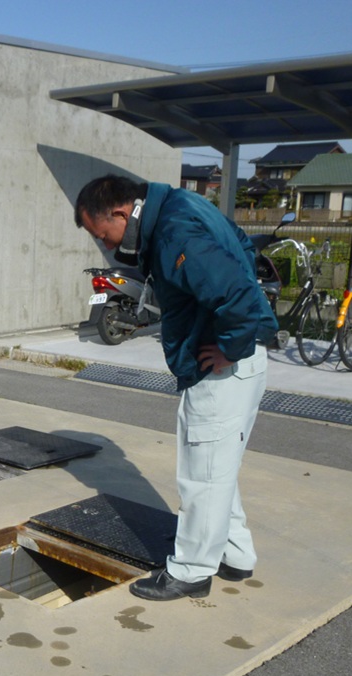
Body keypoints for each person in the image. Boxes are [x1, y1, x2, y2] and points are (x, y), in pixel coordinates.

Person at [74, 175, 277, 601]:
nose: (108, 247)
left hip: (223, 367)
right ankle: (235, 554)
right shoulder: (184, 206)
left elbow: (237, 295)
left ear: (120, 213)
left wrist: (230, 347)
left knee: (202, 473)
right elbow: (242, 249)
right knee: (218, 467)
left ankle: (190, 570)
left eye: (103, 235)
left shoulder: (174, 230)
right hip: (239, 364)